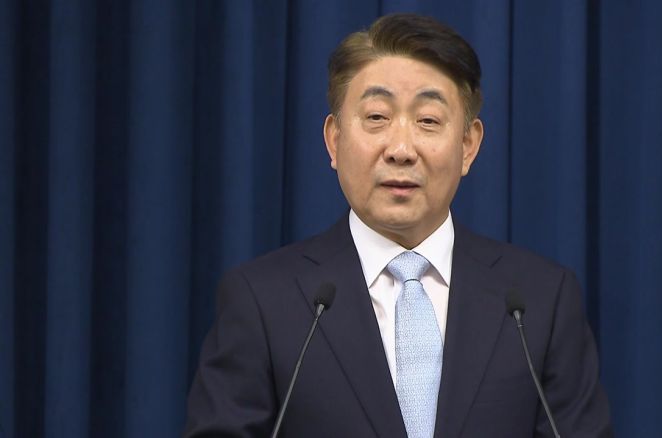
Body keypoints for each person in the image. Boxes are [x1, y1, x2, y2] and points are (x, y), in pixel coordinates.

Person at [185, 13, 613, 437]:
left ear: (468, 145)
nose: (401, 149)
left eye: (428, 121)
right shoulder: (262, 301)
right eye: (377, 117)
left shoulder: (539, 301)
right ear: (334, 140)